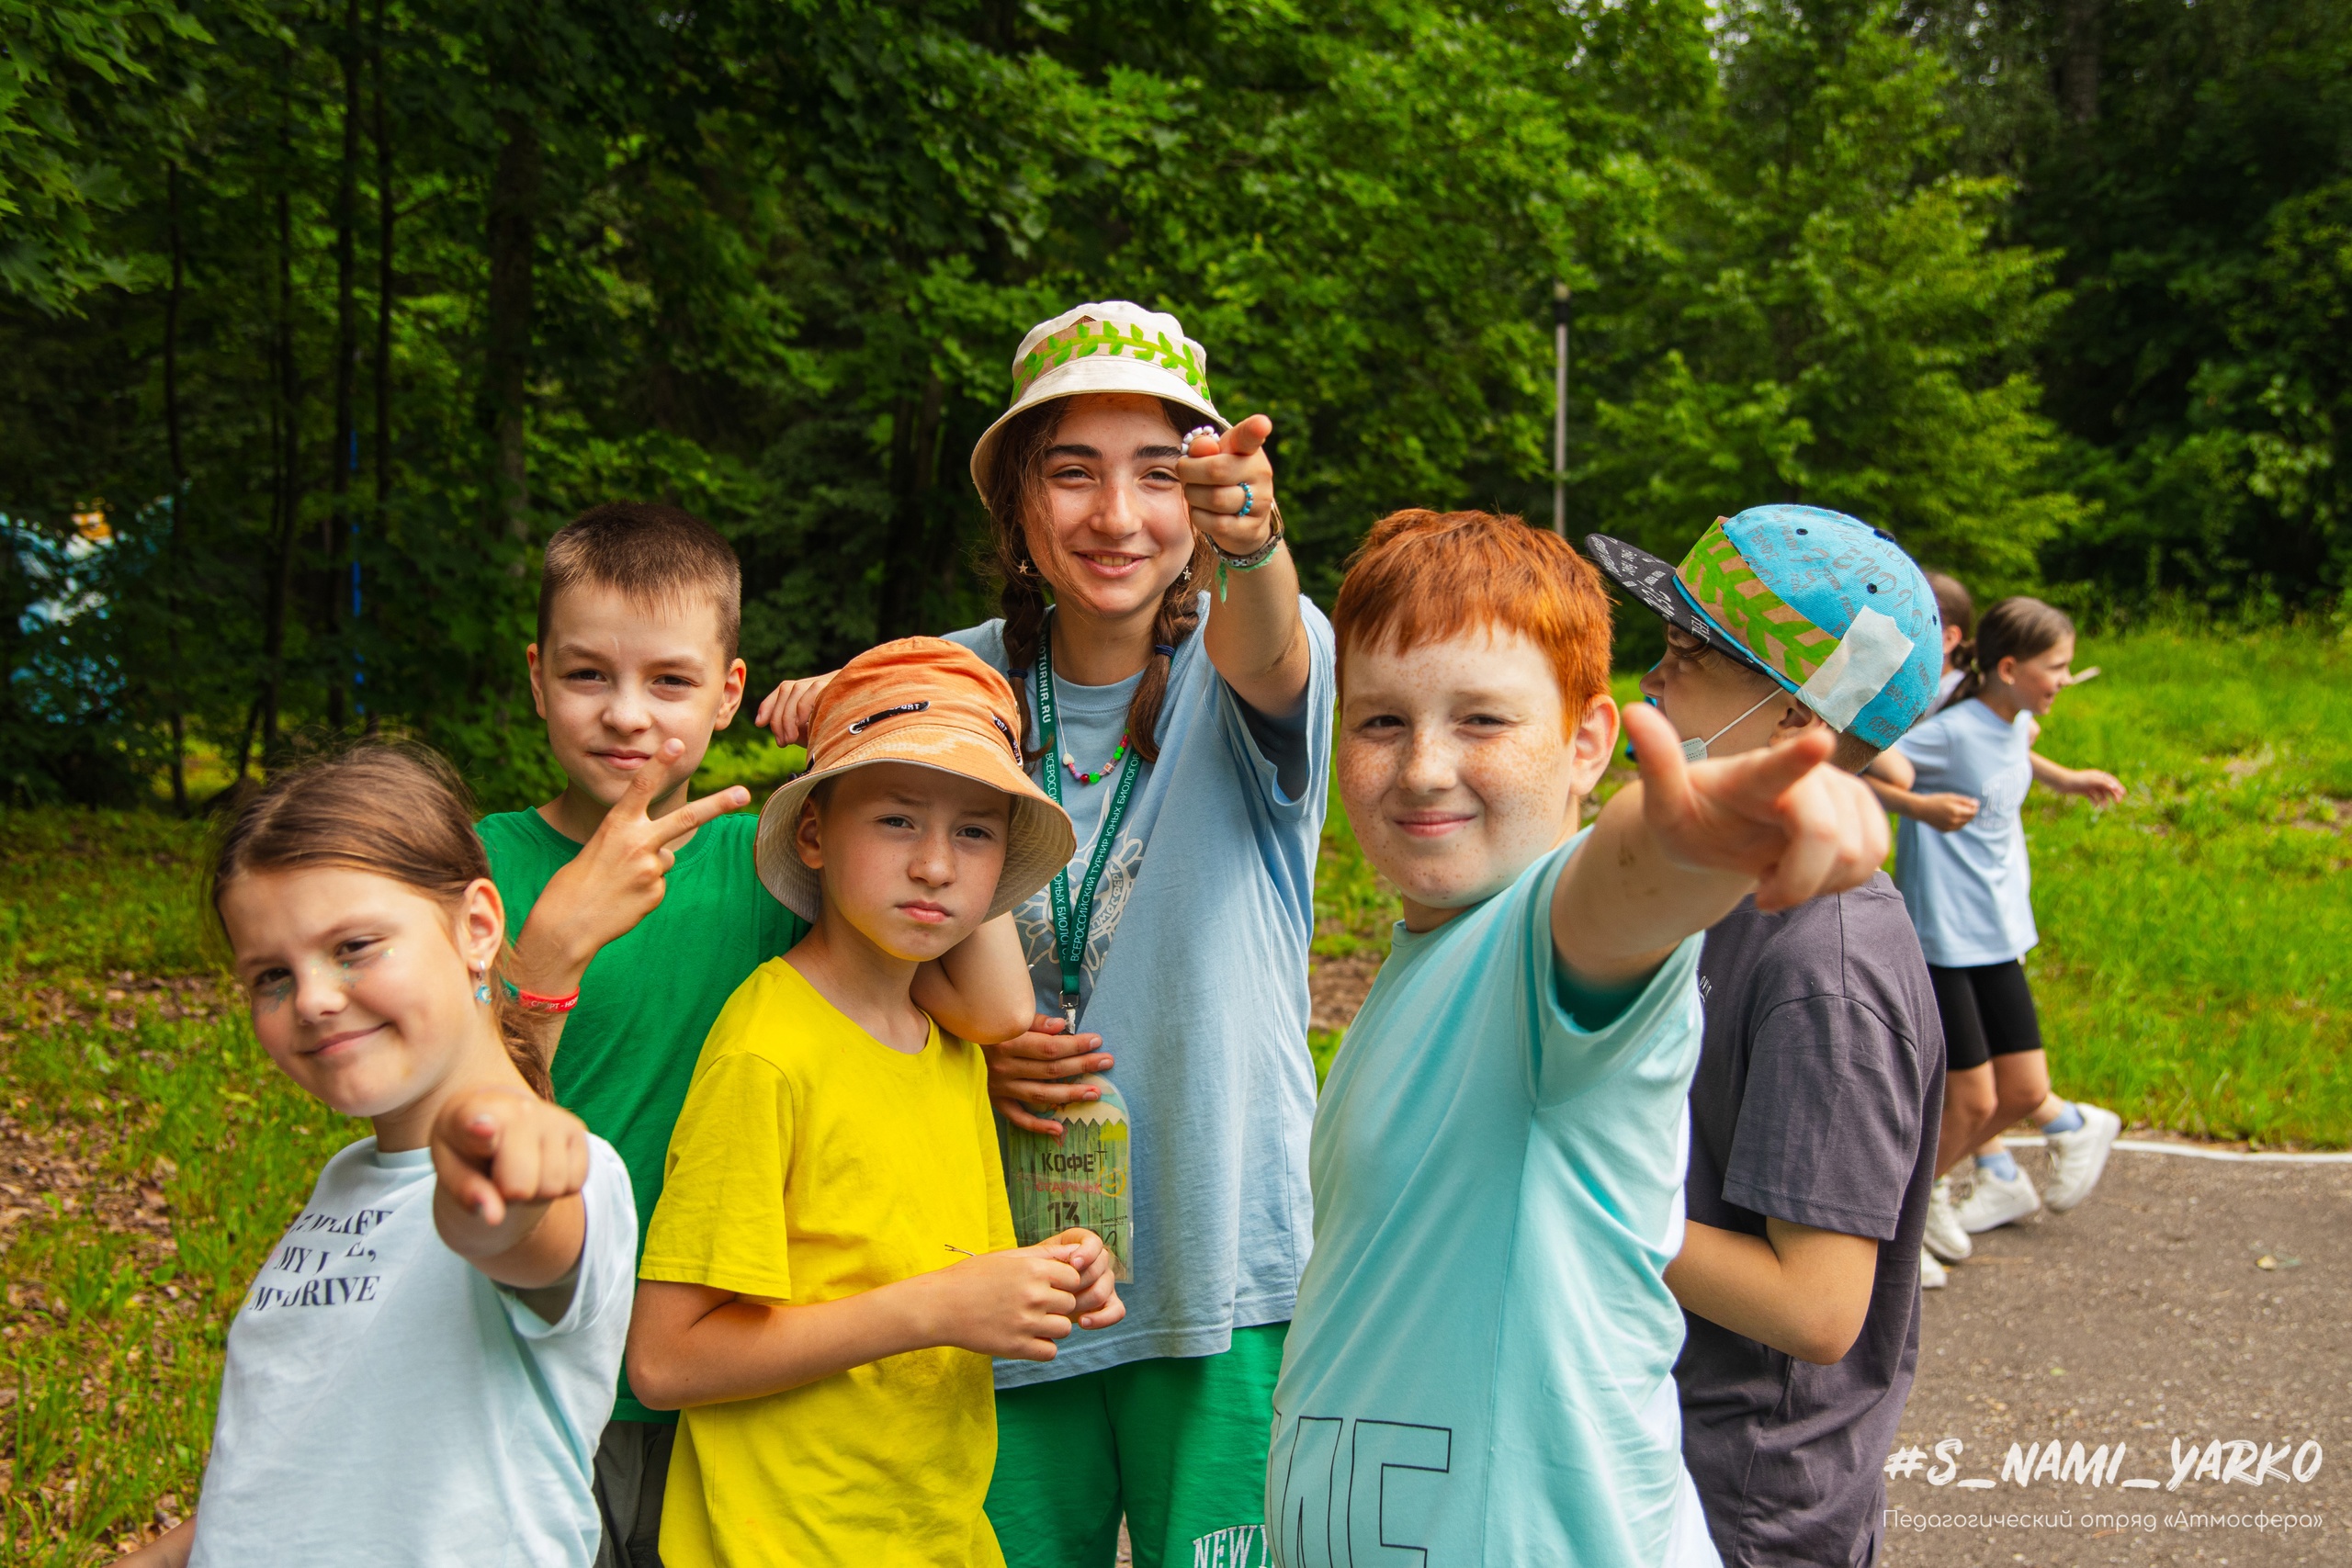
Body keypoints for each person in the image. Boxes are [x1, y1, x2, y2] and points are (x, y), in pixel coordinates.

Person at [757, 301, 1331, 1568]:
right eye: (1073, 471)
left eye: (1160, 473)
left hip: (1217, 1259)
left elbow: (1272, 649)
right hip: (992, 1267)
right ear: (1017, 504)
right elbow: (869, 923)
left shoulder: (1252, 652)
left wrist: (1255, 543)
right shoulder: (940, 683)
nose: (1117, 514)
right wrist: (974, 1040)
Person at [1270, 509, 1891, 1568]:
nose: (1422, 768)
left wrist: (1695, 844)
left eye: (1482, 721)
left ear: (1590, 743)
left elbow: (1618, 892)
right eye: (1379, 722)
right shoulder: (1431, 947)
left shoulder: (1537, 938)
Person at [481, 501, 1034, 1563]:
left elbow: (994, 1009)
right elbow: (458, 1130)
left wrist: (892, 729)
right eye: (588, 675)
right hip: (530, 1359)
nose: (627, 715)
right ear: (538, 678)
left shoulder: (766, 867)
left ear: (729, 693)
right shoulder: (480, 870)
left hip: (727, 1363)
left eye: (670, 681)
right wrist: (545, 957)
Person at [625, 638, 1124, 1567]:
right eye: (896, 820)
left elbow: (943, 1266)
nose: (935, 866)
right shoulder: (769, 1051)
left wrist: (1049, 1273)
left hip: (934, 1537)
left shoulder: (948, 1045)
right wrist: (937, 1308)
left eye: (975, 833)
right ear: (813, 835)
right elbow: (665, 1359)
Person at [115, 745, 637, 1567]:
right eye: (271, 976)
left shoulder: (564, 1176)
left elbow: (517, 1233)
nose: (314, 999)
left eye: (354, 945)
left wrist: (502, 1171)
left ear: (477, 926)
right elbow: (314, 1449)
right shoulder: (349, 1179)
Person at [1590, 508, 1948, 1566]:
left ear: (1797, 716)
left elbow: (1815, 1308)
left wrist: (1572, 1199)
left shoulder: (1825, 967)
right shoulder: (1709, 888)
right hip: (1643, 1450)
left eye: (1689, 656)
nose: (1652, 681)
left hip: (1743, 1508)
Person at [1883, 595, 2126, 1242]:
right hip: (1945, 936)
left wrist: (2067, 780)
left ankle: (1935, 1194)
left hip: (1997, 928)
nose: (2067, 679)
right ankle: (1902, 1220)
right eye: (2058, 666)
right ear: (2011, 668)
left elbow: (2007, 757)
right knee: (1973, 1100)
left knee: (2022, 1091)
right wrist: (1917, 806)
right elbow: (1859, 766)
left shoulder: (2013, 720)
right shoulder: (1949, 731)